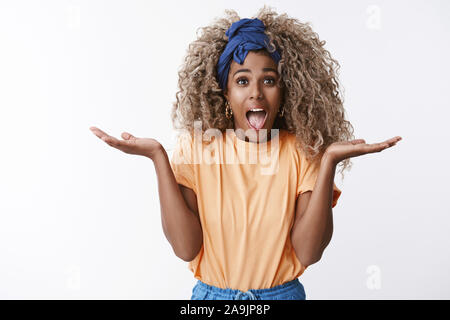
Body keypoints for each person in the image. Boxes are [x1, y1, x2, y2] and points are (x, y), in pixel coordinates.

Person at [89, 6, 402, 300]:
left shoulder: (302, 151)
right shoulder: (198, 147)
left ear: (285, 91)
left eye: (269, 80)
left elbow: (309, 253)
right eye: (242, 81)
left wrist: (330, 160)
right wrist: (158, 157)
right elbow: (186, 248)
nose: (256, 92)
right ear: (225, 92)